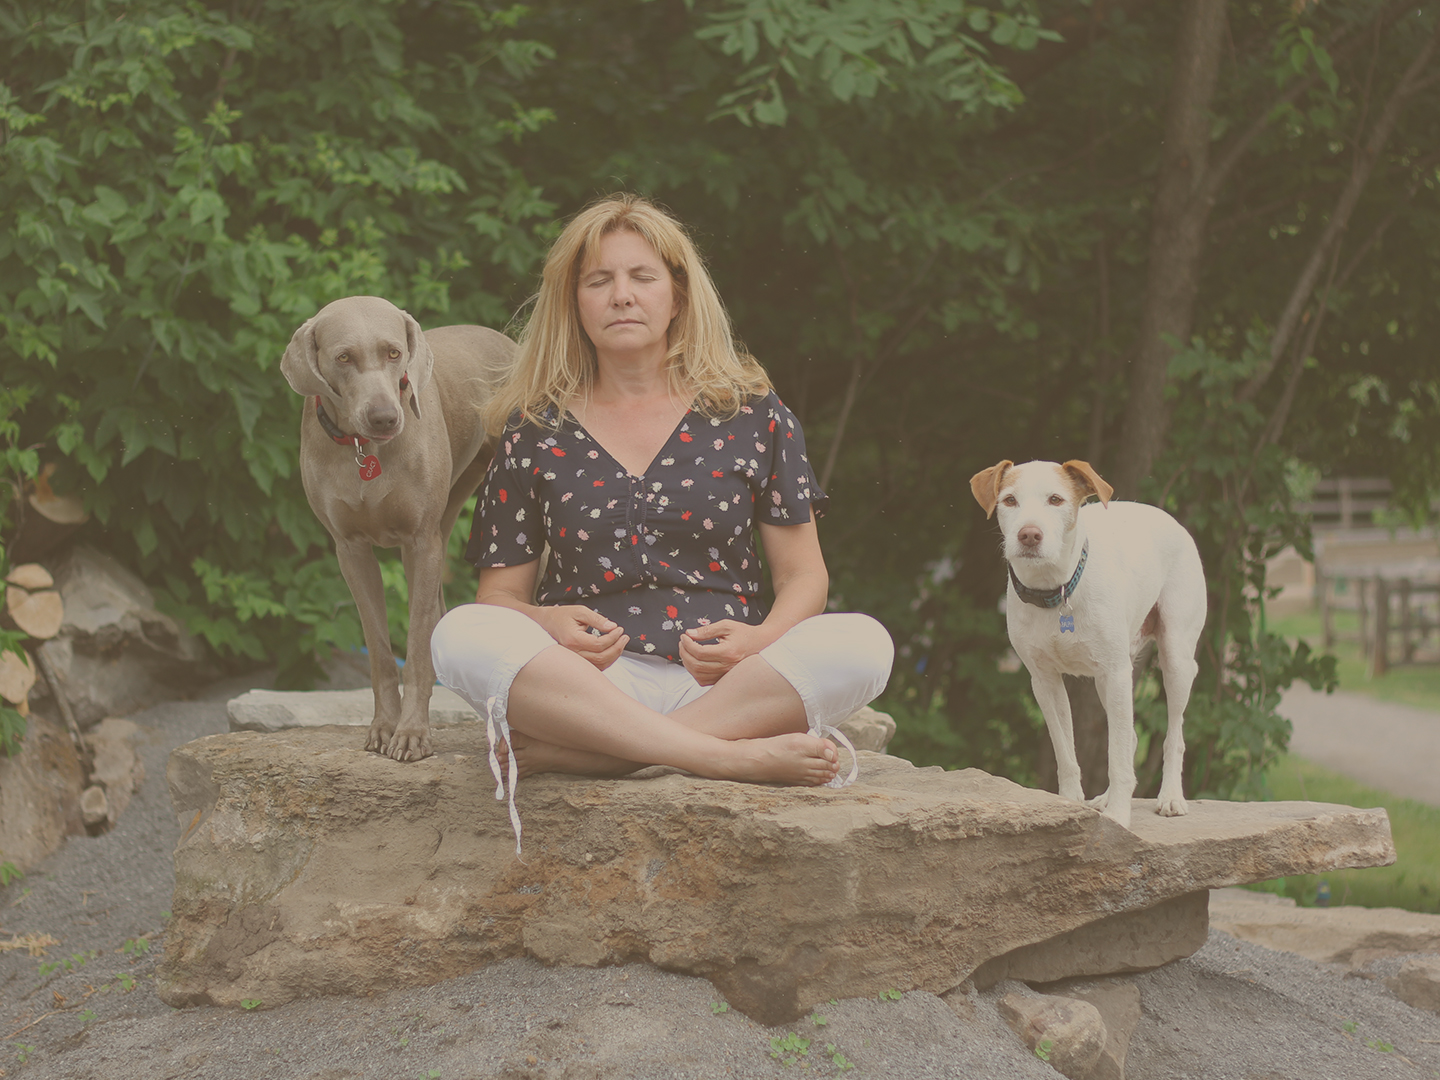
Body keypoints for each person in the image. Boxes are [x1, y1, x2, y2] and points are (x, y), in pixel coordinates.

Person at [431, 194, 893, 848]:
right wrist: (548, 620)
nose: (622, 295)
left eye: (642, 277)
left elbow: (804, 577)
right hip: (592, 683)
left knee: (865, 642)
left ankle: (607, 755)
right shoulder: (531, 429)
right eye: (599, 280)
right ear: (574, 303)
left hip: (729, 678)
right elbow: (498, 597)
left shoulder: (752, 414)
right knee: (458, 634)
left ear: (677, 295)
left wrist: (760, 642)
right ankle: (724, 755)